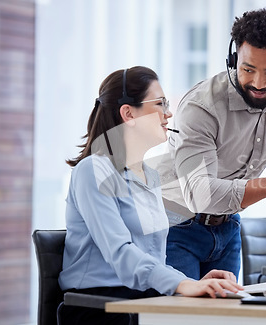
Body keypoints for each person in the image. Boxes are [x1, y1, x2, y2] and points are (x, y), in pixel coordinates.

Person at [156, 8, 266, 281]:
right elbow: (200, 194)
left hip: (228, 228)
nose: (258, 82)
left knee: (226, 318)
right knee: (182, 316)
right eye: (247, 69)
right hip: (174, 226)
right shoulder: (201, 106)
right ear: (233, 58)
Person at [58, 67, 242, 325]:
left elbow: (153, 259)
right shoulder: (93, 171)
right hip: (99, 307)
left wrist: (193, 283)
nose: (168, 113)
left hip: (141, 301)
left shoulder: (150, 176)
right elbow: (121, 253)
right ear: (128, 113)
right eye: (160, 103)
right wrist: (181, 284)